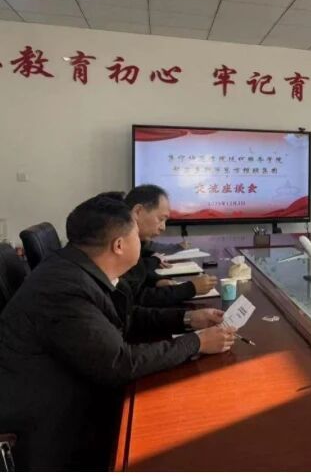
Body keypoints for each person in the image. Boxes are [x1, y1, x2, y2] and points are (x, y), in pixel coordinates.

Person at [0, 194, 236, 470]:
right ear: (119, 245)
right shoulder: (65, 289)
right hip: (51, 427)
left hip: (70, 393)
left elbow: (125, 317)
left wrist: (187, 319)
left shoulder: (75, 268)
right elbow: (119, 363)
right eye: (136, 234)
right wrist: (196, 343)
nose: (143, 242)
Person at [119, 185, 217, 306]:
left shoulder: (137, 243)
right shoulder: (120, 247)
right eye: (161, 219)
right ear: (138, 211)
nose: (163, 227)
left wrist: (156, 281)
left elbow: (136, 280)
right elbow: (136, 300)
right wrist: (190, 289)